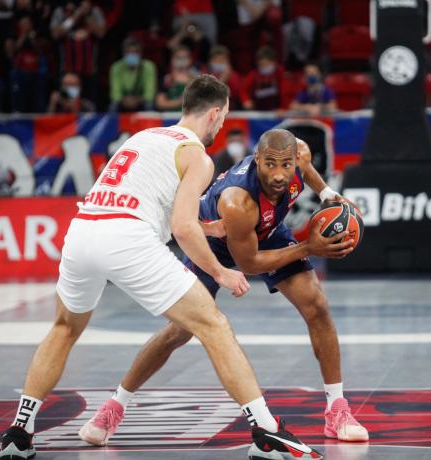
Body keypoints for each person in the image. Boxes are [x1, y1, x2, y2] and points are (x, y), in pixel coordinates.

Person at [0, 75, 322, 460]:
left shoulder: (143, 138)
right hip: (127, 239)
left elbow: (153, 203)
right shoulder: (197, 156)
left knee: (64, 328)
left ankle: (20, 432)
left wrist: (207, 228)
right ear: (216, 113)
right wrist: (222, 273)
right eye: (223, 118)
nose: (221, 126)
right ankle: (267, 431)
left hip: (82, 233)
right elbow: (180, 228)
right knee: (213, 325)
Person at [77, 129, 368, 451]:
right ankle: (115, 406)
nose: (279, 174)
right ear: (257, 160)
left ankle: (337, 409)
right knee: (179, 331)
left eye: (286, 165)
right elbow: (250, 263)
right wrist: (307, 248)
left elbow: (306, 169)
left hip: (267, 232)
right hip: (215, 243)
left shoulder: (298, 153)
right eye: (270, 165)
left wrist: (328, 195)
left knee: (317, 306)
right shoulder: (238, 200)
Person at [109, 36, 157, 112]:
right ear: (123, 54)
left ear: (140, 53)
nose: (132, 55)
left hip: (141, 101)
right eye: (129, 52)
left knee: (149, 105)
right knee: (113, 106)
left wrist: (137, 100)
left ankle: (149, 124)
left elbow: (149, 94)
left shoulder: (148, 67)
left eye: (135, 52)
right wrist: (125, 100)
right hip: (123, 102)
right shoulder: (116, 67)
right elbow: (115, 94)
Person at [155, 46, 198, 112]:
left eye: (185, 57)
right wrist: (180, 101)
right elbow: (160, 103)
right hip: (170, 118)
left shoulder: (197, 80)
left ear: (190, 60)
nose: (181, 60)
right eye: (178, 57)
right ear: (172, 60)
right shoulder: (166, 80)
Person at [241, 45, 284, 110]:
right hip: (259, 109)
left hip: (277, 109)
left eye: (266, 64)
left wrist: (283, 107)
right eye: (261, 65)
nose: (264, 67)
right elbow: (243, 89)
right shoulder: (253, 74)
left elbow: (285, 92)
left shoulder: (280, 72)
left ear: (273, 62)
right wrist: (246, 100)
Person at [207, 45, 243, 110]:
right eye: (217, 60)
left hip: (230, 112)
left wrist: (228, 77)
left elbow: (236, 94)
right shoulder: (205, 75)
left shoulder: (233, 75)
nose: (219, 62)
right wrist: (222, 80)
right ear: (211, 60)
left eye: (222, 60)